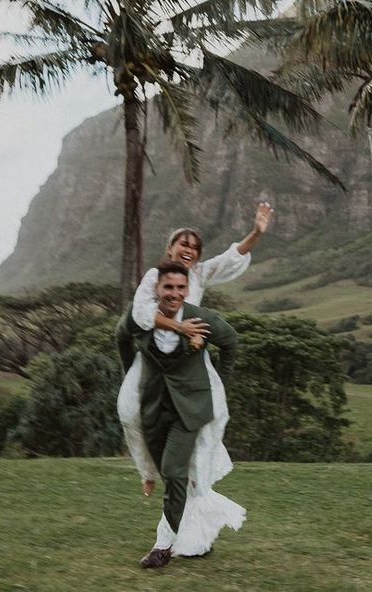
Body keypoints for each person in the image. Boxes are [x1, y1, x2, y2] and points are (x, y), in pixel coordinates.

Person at [117, 201, 273, 556]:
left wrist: (257, 233)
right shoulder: (154, 279)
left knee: (195, 455)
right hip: (155, 363)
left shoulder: (199, 274)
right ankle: (149, 473)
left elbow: (232, 257)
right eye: (182, 244)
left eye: (193, 247)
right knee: (130, 412)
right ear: (169, 249)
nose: (188, 250)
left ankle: (182, 529)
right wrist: (179, 327)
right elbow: (140, 315)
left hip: (191, 369)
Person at [116, 261, 240, 568]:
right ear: (157, 289)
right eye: (168, 287)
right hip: (154, 405)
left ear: (187, 290)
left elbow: (231, 341)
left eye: (180, 287)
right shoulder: (141, 317)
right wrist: (131, 371)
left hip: (191, 407)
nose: (174, 293)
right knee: (170, 474)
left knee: (173, 471)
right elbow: (121, 336)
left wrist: (220, 383)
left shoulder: (200, 317)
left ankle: (162, 546)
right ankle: (196, 532)